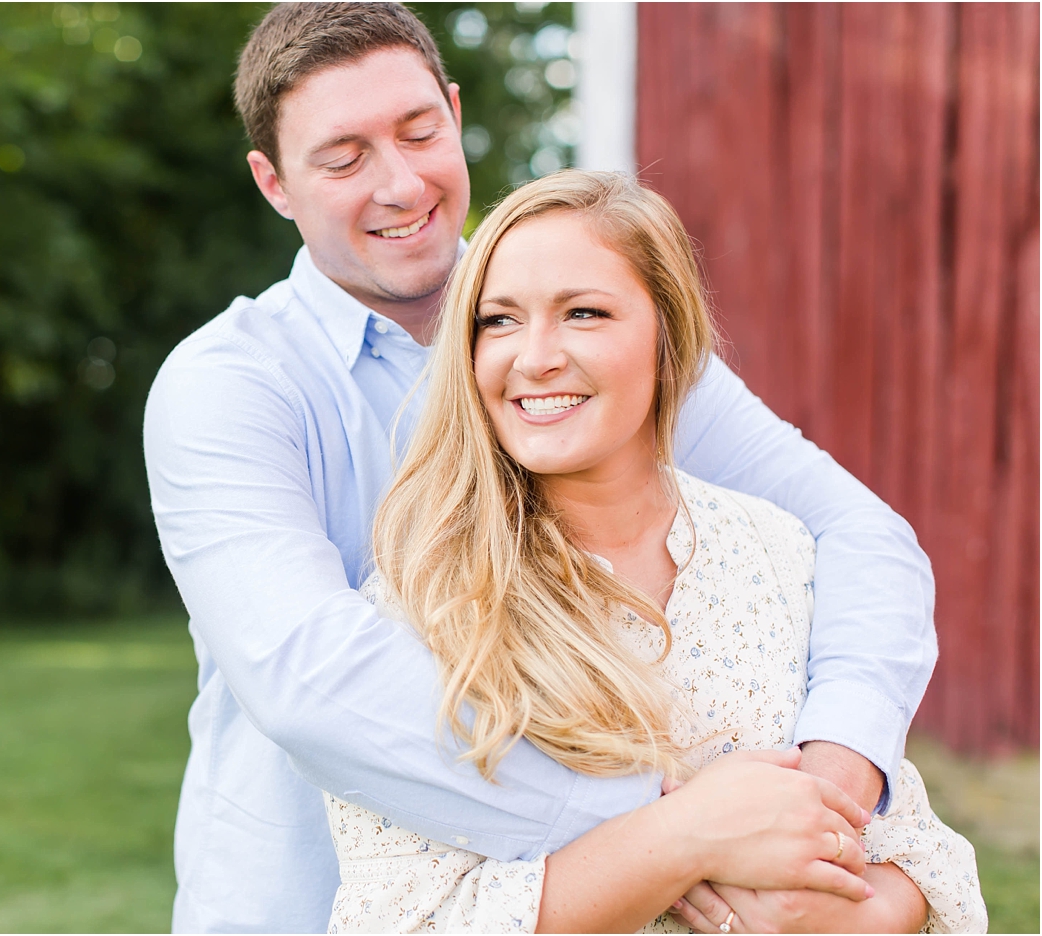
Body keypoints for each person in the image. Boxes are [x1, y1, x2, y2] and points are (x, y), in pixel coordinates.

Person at [143, 4, 937, 932]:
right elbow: (313, 677)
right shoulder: (229, 387)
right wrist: (682, 833)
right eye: (345, 157)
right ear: (274, 183)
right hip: (301, 902)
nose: (401, 183)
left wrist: (827, 794)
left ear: (454, 108)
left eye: (418, 131)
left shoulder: (599, 332)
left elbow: (861, 534)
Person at [323, 169, 984, 934]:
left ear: (670, 339)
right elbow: (405, 920)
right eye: (498, 321)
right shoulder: (428, 605)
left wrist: (832, 920)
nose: (534, 357)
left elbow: (921, 858)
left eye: (584, 313)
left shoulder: (778, 552)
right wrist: (678, 848)